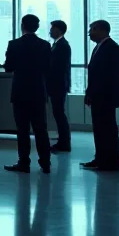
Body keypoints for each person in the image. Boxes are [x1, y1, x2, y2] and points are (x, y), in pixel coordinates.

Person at [2, 14, 52, 174]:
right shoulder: (45, 45)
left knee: (22, 130)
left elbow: (8, 67)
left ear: (22, 25)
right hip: (38, 91)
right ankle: (45, 163)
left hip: (20, 92)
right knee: (41, 129)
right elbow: (48, 68)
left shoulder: (14, 44)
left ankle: (24, 162)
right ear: (37, 27)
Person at [81, 20, 119, 172]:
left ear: (102, 30)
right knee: (99, 129)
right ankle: (100, 159)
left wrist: (95, 92)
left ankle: (110, 162)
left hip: (105, 96)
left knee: (107, 130)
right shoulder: (99, 47)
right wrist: (89, 92)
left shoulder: (111, 48)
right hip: (97, 96)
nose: (90, 33)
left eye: (92, 29)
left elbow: (108, 76)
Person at [47, 20, 72, 153]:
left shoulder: (62, 45)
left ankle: (64, 142)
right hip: (58, 85)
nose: (50, 31)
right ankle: (63, 141)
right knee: (58, 113)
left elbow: (56, 68)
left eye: (52, 28)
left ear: (59, 30)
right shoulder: (58, 44)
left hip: (58, 85)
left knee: (59, 114)